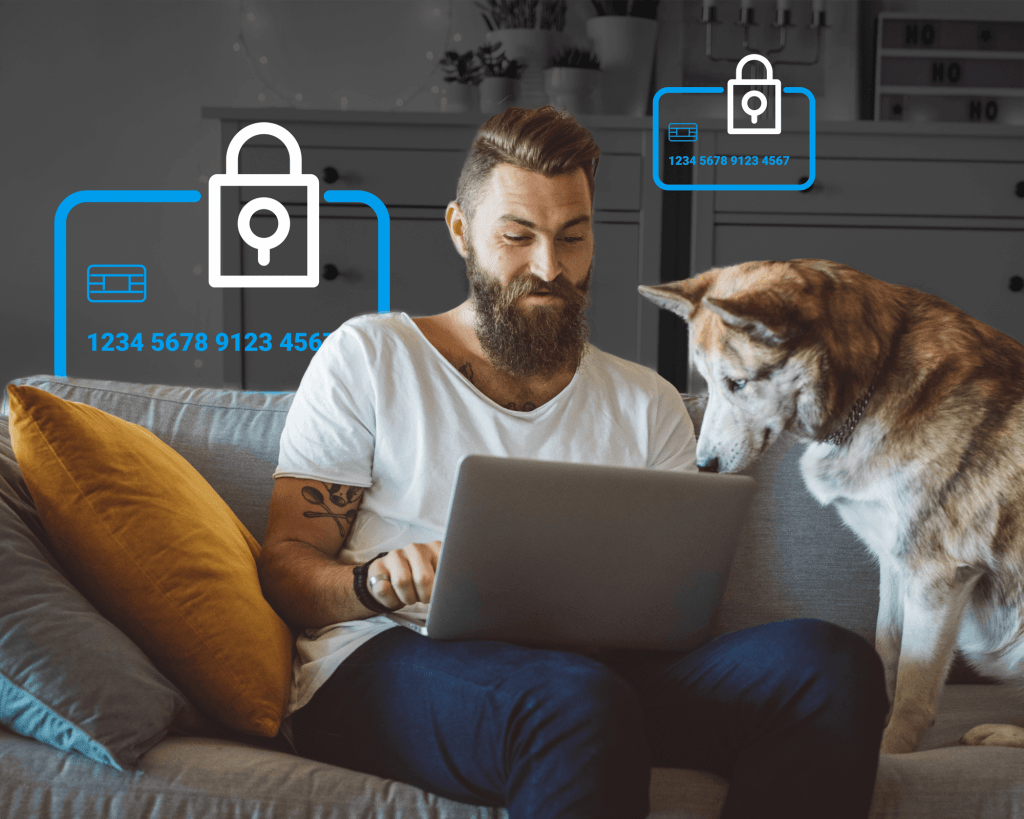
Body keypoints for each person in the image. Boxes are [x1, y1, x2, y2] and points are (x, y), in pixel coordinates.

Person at [258, 105, 887, 819]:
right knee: (574, 699)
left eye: (573, 237)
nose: (549, 267)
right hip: (389, 657)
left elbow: (674, 602)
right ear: (462, 231)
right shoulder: (370, 355)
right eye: (517, 236)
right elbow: (286, 563)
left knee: (828, 667)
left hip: (596, 677)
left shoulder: (647, 403)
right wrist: (372, 583)